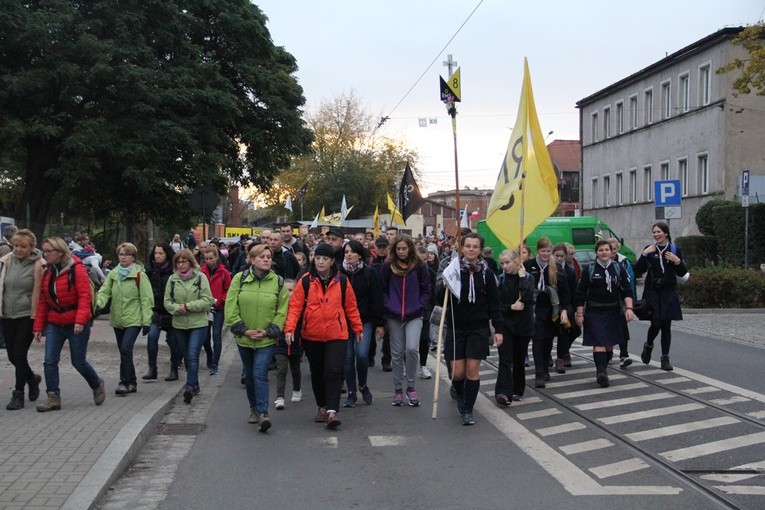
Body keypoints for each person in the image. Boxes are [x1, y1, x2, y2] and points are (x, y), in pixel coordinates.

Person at [284, 243, 363, 430]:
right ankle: (322, 406)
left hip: (337, 334)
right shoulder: (305, 281)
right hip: (312, 334)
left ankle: (332, 411)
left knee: (334, 371)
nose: (320, 262)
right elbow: (295, 307)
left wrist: (357, 328)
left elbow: (351, 307)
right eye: (317, 258)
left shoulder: (342, 281)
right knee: (318, 372)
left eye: (324, 259)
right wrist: (289, 329)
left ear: (332, 261)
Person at [33, 237, 106, 412]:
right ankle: (53, 397)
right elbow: (44, 302)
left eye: (49, 251)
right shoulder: (48, 271)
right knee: (49, 360)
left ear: (60, 252)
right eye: (44, 251)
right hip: (54, 322)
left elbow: (84, 297)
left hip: (75, 321)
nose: (46, 254)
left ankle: (96, 384)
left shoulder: (77, 269)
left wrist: (80, 321)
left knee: (78, 362)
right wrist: (38, 327)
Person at [437, 233, 502, 425]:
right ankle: (458, 390)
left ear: (480, 250)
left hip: (478, 327)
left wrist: (498, 329)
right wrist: (444, 285)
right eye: (467, 246)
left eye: (475, 246)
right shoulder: (453, 271)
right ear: (462, 248)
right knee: (457, 372)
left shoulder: (487, 274)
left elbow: (494, 304)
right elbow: (439, 300)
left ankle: (468, 408)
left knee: (472, 369)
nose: (471, 249)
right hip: (457, 326)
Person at [225, 243, 289, 432]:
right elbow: (231, 306)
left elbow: (282, 310)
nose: (267, 260)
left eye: (269, 257)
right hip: (244, 337)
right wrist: (243, 330)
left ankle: (263, 413)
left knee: (260, 373)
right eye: (262, 257)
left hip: (266, 339)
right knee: (250, 375)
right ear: (252, 260)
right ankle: (253, 408)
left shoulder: (278, 282)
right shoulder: (240, 278)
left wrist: (269, 331)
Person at [574, 240, 635, 387]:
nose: (604, 252)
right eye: (600, 250)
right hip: (594, 311)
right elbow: (580, 293)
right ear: (597, 252)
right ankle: (601, 371)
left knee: (608, 344)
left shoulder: (618, 268)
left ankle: (604, 366)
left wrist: (630, 309)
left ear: (611, 251)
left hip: (613, 311)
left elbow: (627, 290)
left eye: (606, 250)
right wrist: (579, 314)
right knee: (599, 343)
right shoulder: (589, 269)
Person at [96, 242, 154, 395]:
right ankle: (132, 381)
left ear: (133, 258)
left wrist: (146, 321)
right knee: (124, 352)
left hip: (133, 318)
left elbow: (147, 299)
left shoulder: (139, 275)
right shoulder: (114, 274)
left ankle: (124, 382)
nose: (123, 257)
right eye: (121, 254)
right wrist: (97, 304)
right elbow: (104, 291)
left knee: (126, 349)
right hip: (118, 318)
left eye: (127, 254)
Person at [381, 234, 431, 408]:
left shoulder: (419, 266)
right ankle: (397, 389)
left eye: (404, 248)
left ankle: (411, 386)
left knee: (411, 349)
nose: (401, 252)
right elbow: (383, 288)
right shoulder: (388, 266)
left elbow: (426, 288)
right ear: (394, 250)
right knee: (396, 353)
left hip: (414, 314)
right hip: (394, 315)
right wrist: (388, 305)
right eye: (398, 249)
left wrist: (420, 305)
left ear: (410, 248)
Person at [634, 221, 688, 371]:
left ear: (666, 233)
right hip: (653, 293)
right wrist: (644, 255)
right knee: (656, 323)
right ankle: (648, 345)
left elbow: (683, 273)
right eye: (654, 232)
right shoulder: (649, 250)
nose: (656, 235)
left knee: (666, 326)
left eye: (659, 232)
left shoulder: (675, 250)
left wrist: (677, 262)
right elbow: (638, 270)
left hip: (668, 292)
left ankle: (665, 358)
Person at [164, 249, 215, 404]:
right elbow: (167, 301)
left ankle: (190, 386)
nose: (181, 265)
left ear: (190, 262)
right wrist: (176, 308)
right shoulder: (172, 280)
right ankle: (195, 384)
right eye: (178, 262)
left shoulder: (200, 278)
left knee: (193, 354)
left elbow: (207, 300)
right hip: (179, 323)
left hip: (198, 323)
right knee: (186, 356)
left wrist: (189, 306)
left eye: (184, 261)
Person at [0, 228, 43, 410]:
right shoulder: (6, 261)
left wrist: (39, 320)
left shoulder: (39, 264)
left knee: (19, 354)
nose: (18, 249)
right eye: (15, 245)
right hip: (7, 314)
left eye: (22, 246)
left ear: (31, 247)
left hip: (27, 314)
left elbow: (40, 291)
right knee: (11, 356)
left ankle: (18, 393)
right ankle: (32, 379)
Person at [339, 240, 384, 407]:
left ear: (359, 254)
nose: (349, 254)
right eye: (346, 252)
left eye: (352, 252)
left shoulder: (369, 273)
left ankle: (363, 385)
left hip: (364, 321)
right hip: (343, 322)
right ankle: (351, 392)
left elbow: (377, 298)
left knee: (362, 354)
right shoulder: (338, 272)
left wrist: (379, 323)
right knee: (348, 357)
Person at [524, 237, 570, 389]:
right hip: (535, 309)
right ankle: (539, 372)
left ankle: (544, 366)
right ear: (537, 251)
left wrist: (564, 310)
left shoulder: (556, 267)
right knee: (538, 339)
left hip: (552, 309)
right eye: (543, 251)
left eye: (548, 251)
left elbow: (564, 292)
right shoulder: (528, 265)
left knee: (548, 340)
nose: (545, 254)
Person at [495, 248, 534, 404]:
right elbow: (496, 305)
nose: (504, 266)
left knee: (519, 358)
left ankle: (518, 388)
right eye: (502, 263)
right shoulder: (500, 279)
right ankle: (503, 393)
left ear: (517, 261)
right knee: (505, 359)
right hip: (506, 326)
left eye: (508, 262)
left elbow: (528, 298)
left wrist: (523, 278)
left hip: (523, 326)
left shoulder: (528, 278)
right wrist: (511, 307)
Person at [143, 243, 181, 381]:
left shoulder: (174, 272)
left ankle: (174, 369)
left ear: (167, 255)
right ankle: (152, 368)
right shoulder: (148, 271)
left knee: (173, 341)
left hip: (171, 312)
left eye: (161, 253)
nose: (157, 256)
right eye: (156, 253)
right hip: (155, 311)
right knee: (152, 337)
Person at [201, 245, 231, 375]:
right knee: (205, 337)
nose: (209, 261)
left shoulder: (223, 272)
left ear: (216, 258)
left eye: (211, 258)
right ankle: (209, 354)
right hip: (206, 308)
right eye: (206, 258)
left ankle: (215, 363)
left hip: (219, 308)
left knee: (217, 335)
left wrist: (221, 300)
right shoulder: (201, 272)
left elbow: (228, 289)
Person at [273, 279, 303, 410]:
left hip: (296, 342)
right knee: (281, 368)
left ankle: (297, 389)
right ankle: (280, 397)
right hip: (280, 342)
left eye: (291, 290)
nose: (288, 293)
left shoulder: (301, 307)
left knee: (295, 368)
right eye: (285, 290)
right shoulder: (277, 306)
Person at [608, 237, 636, 368]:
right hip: (606, 301)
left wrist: (630, 304)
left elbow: (630, 282)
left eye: (614, 249)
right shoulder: (599, 263)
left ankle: (624, 355)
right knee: (608, 327)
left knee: (622, 327)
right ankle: (608, 355)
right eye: (610, 249)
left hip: (621, 300)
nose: (612, 252)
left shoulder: (624, 262)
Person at [552, 242, 577, 374]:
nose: (560, 258)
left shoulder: (569, 270)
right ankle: (549, 356)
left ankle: (561, 356)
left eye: (562, 256)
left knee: (568, 331)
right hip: (552, 305)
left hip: (566, 305)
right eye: (557, 256)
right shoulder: (550, 269)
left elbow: (573, 290)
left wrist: (573, 308)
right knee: (550, 333)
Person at [369, 236, 390, 370]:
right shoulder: (369, 262)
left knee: (388, 334)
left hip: (387, 301)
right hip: (372, 301)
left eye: (384, 247)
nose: (381, 250)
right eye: (379, 247)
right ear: (375, 247)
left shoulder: (392, 263)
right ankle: (370, 355)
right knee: (370, 332)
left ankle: (386, 360)